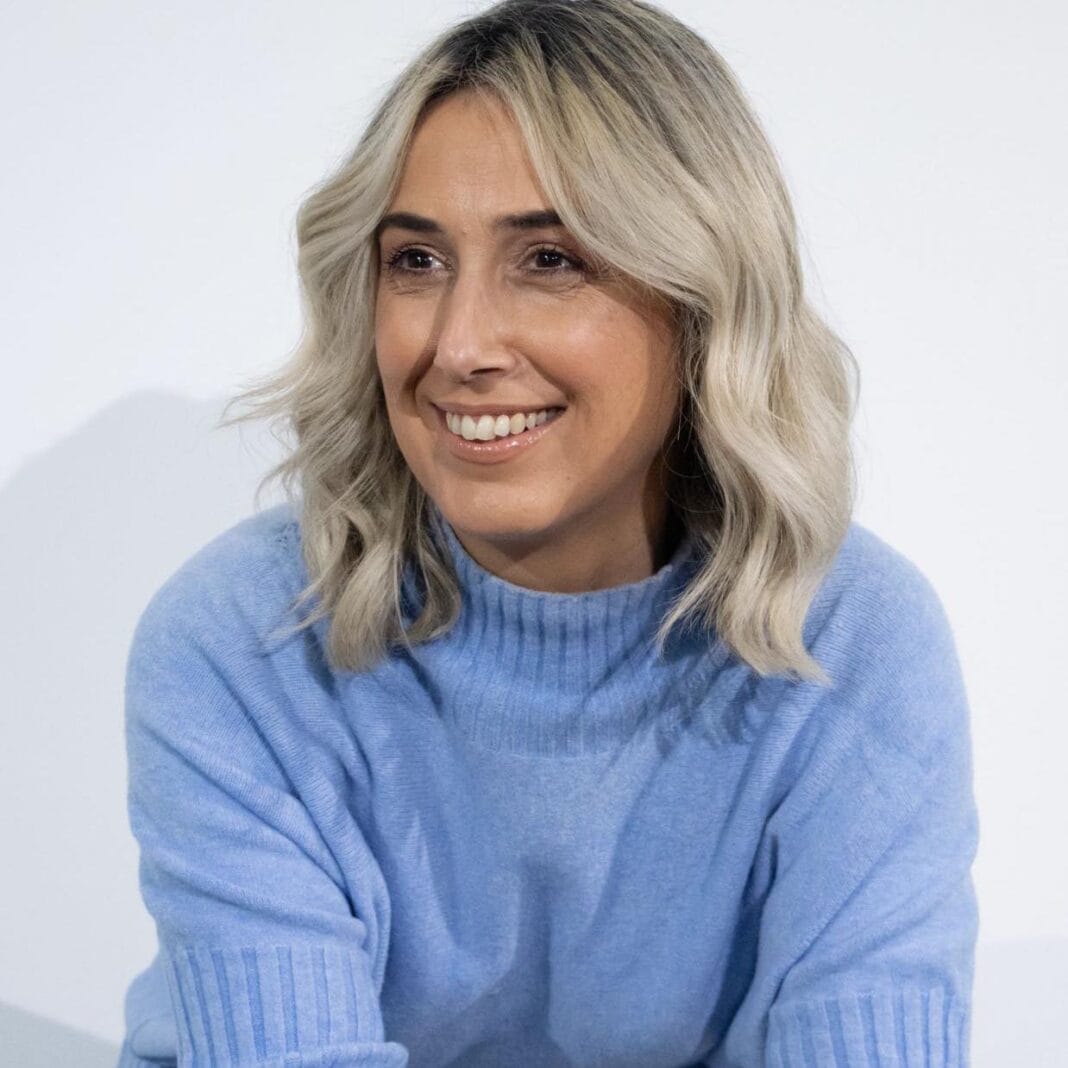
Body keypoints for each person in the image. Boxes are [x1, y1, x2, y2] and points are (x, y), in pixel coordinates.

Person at [114, 1, 979, 1065]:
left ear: (701, 299)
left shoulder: (848, 639)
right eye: (417, 262)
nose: (461, 343)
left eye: (552, 260)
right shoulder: (245, 641)